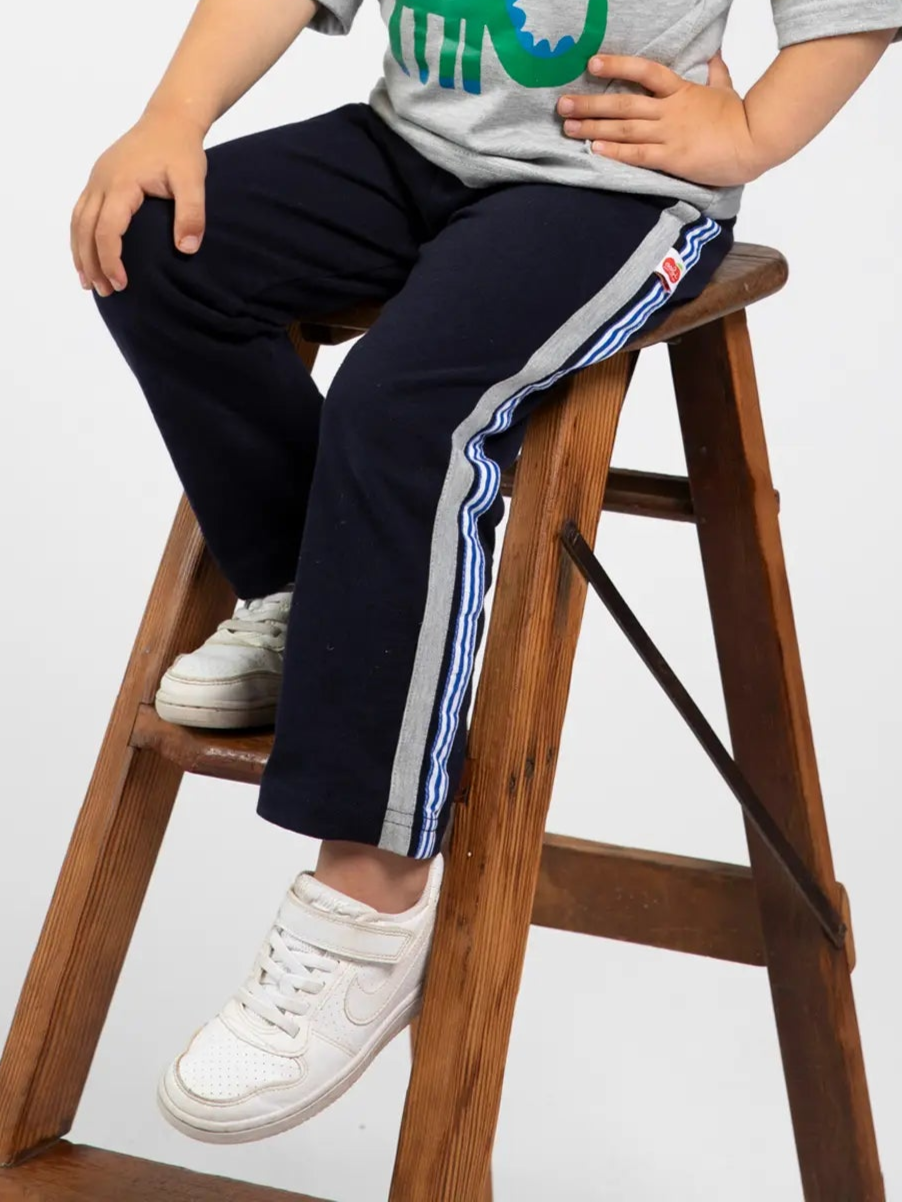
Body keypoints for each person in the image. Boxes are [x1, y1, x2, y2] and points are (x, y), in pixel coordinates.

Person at [73, 0, 900, 1145]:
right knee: (156, 243)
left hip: (606, 187)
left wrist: (752, 131)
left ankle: (369, 894)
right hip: (409, 147)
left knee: (403, 409)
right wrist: (172, 113)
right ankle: (310, 591)